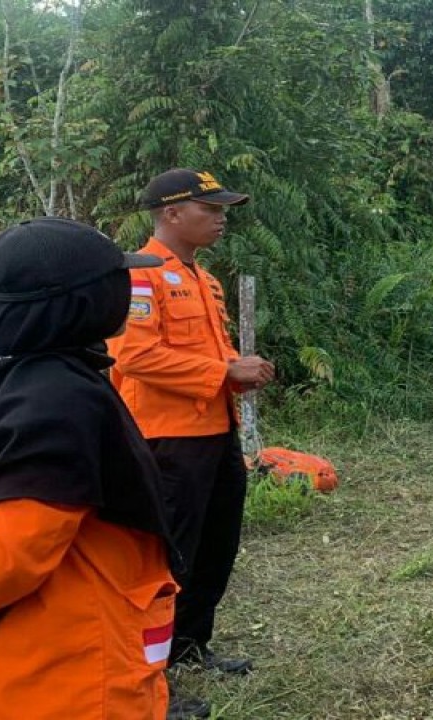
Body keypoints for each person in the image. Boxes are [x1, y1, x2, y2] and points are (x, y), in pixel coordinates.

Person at [0, 217, 176, 718]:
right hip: (67, 665)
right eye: (117, 280)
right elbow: (15, 547)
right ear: (81, 300)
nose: (125, 290)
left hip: (7, 653)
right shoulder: (59, 399)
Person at [108, 169, 275, 679]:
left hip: (214, 432)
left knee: (215, 546)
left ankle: (188, 648)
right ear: (172, 213)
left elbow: (208, 350)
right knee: (168, 556)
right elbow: (132, 354)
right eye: (212, 209)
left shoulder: (204, 278)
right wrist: (222, 371)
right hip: (167, 440)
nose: (222, 218)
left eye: (223, 209)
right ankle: (146, 672)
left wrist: (235, 376)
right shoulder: (139, 275)